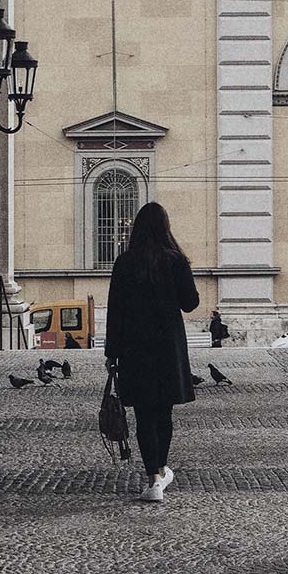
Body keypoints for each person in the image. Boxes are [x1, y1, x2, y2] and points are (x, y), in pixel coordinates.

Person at [104, 201, 200, 503]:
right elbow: (191, 303)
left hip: (135, 349)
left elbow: (115, 311)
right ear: (165, 227)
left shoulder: (124, 262)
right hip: (168, 348)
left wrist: (112, 352)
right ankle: (160, 470)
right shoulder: (175, 261)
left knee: (145, 415)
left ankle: (154, 479)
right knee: (164, 413)